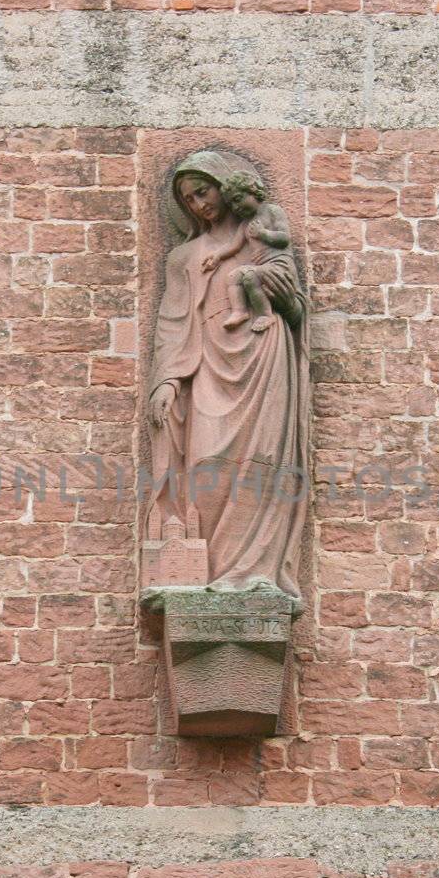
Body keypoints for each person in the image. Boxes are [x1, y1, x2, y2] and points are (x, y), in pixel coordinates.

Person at [145, 151, 309, 600]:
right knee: (204, 466)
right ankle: (204, 572)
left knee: (261, 463)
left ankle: (256, 572)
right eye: (188, 200)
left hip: (261, 351)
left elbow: (293, 305)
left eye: (203, 191)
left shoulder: (261, 235)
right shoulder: (183, 257)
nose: (199, 204)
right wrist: (166, 379)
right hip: (205, 363)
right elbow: (173, 322)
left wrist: (278, 292)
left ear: (225, 186)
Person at [198, 172, 297, 333]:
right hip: (263, 268)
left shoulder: (272, 211)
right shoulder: (246, 223)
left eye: (237, 199)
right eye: (232, 205)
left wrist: (263, 234)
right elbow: (234, 245)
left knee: (250, 276)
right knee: (234, 276)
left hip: (280, 266)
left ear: (253, 191)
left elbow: (284, 238)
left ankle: (265, 314)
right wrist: (216, 256)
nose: (236, 208)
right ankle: (240, 311)